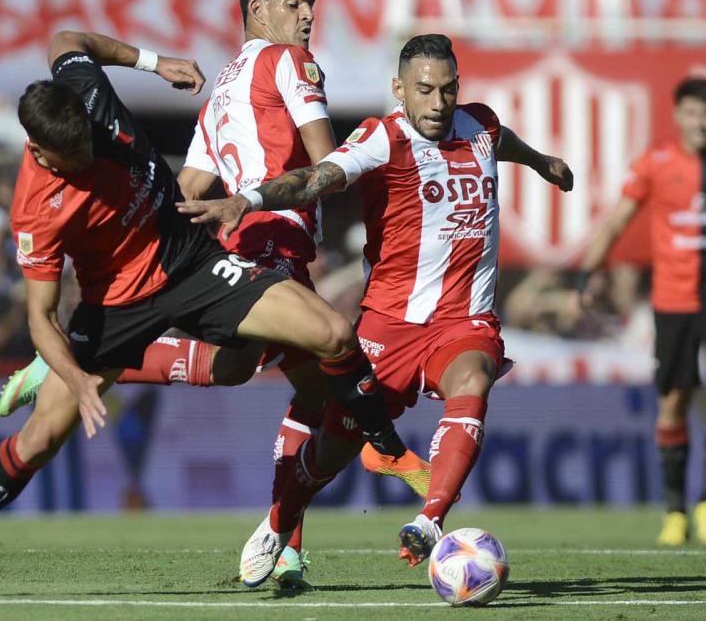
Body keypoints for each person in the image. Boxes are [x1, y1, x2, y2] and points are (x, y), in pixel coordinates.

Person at [0, 29, 408, 599]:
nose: (88, 157)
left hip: (191, 263)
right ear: (37, 151)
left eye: (87, 143)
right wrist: (79, 381)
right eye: (73, 158)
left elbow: (64, 38)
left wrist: (156, 63)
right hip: (116, 307)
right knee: (38, 441)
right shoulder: (36, 212)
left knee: (325, 332)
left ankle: (384, 444)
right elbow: (40, 318)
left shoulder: (87, 91)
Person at [0, 0, 430, 588]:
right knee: (322, 372)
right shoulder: (292, 65)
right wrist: (391, 169)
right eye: (293, 3)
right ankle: (293, 527)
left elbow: (184, 196)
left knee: (252, 372)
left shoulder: (223, 92)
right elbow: (326, 161)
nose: (307, 15)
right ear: (257, 11)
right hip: (270, 241)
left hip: (240, 244)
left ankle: (283, 539)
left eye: (310, 3)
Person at [177, 34, 574, 582]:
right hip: (388, 325)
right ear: (400, 90)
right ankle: (278, 520)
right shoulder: (383, 138)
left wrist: (542, 161)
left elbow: (502, 140)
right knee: (336, 444)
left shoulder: (478, 124)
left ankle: (430, 520)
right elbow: (317, 178)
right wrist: (249, 198)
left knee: (474, 379)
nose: (438, 103)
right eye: (425, 90)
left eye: (448, 89)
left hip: (464, 319)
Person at [572, 76, 706, 546]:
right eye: (691, 113)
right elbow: (616, 220)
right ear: (678, 115)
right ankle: (674, 511)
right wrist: (587, 273)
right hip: (672, 300)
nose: (700, 122)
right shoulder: (655, 164)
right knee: (673, 403)